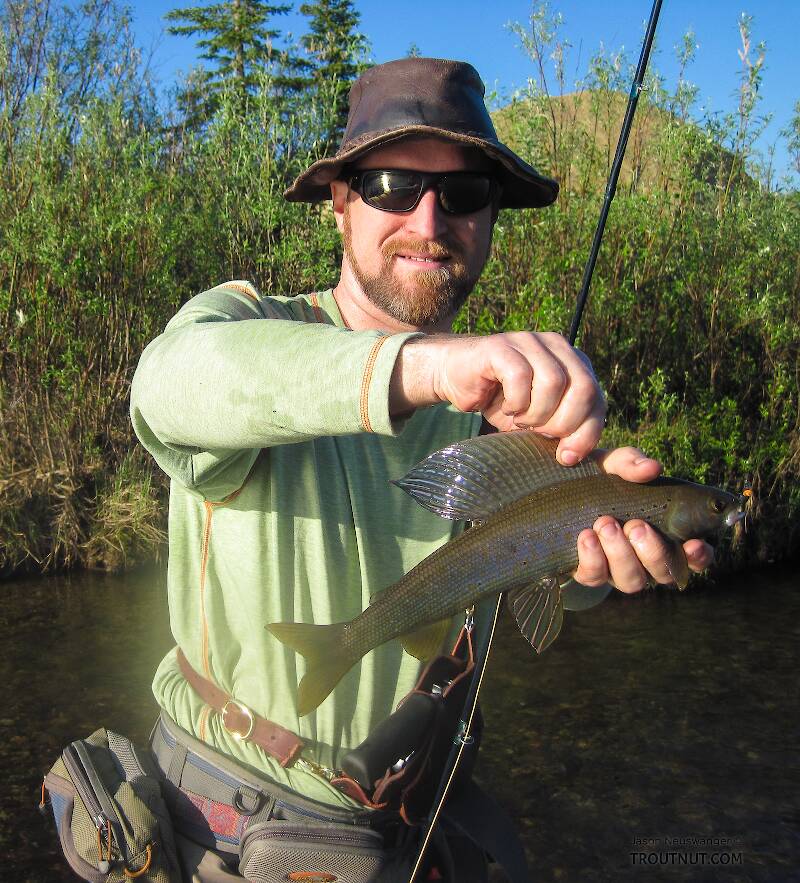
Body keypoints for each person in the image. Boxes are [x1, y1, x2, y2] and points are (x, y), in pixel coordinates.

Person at [131, 58, 713, 882]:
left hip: (412, 826)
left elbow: (534, 577)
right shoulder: (244, 327)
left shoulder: (502, 407)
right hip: (227, 829)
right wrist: (426, 368)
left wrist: (598, 562)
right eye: (394, 185)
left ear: (491, 218)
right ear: (340, 203)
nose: (429, 218)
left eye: (465, 192)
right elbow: (168, 386)